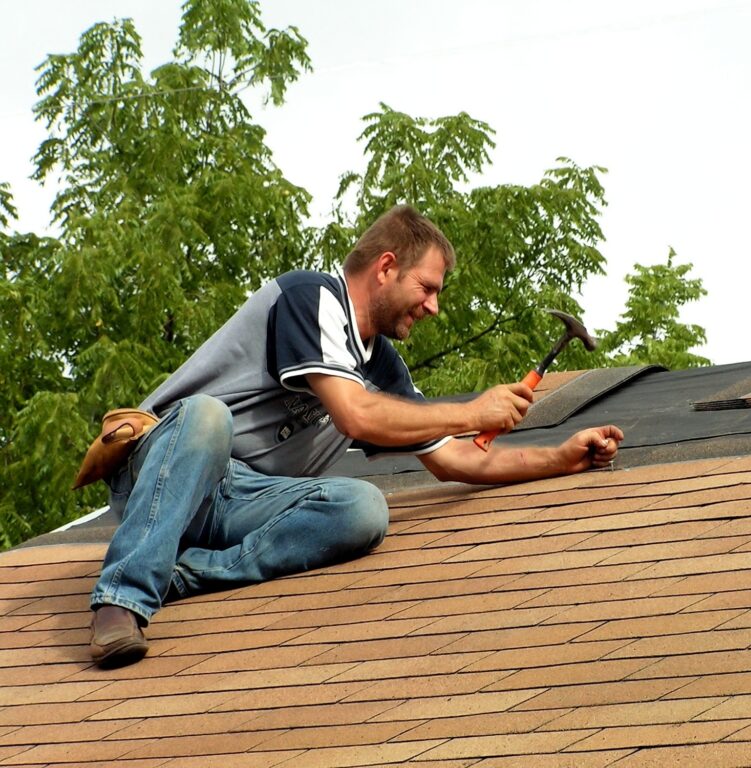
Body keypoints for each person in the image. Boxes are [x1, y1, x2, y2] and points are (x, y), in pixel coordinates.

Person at [88, 205, 623, 668]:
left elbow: (460, 461)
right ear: (387, 267)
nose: (434, 305)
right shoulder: (309, 297)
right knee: (207, 416)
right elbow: (355, 416)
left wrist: (562, 457)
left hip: (236, 505)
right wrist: (469, 410)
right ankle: (122, 600)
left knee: (363, 507)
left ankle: (180, 577)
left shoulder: (382, 366)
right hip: (166, 471)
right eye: (427, 287)